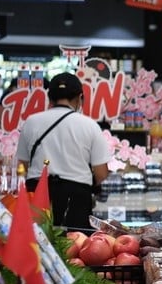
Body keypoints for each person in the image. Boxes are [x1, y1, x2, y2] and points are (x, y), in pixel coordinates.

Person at [16, 72, 110, 228]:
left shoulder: (31, 122)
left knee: (37, 243)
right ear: (80, 98)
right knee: (74, 246)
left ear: (50, 98)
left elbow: (22, 167)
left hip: (37, 193)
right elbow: (101, 173)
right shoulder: (90, 126)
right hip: (76, 198)